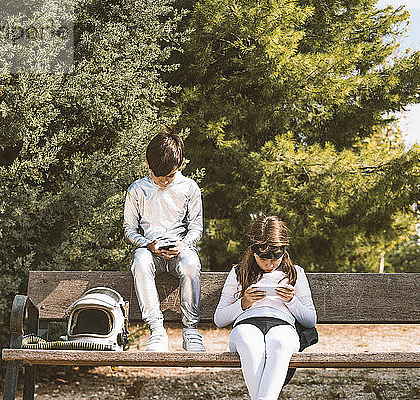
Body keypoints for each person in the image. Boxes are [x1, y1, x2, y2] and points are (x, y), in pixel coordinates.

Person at [214, 215, 316, 400]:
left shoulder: (295, 273)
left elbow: (310, 320)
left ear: (284, 251)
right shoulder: (239, 272)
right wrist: (244, 303)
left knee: (279, 342)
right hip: (246, 324)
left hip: (283, 326)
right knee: (249, 341)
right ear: (253, 251)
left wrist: (291, 301)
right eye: (263, 258)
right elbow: (219, 319)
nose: (269, 264)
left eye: (274, 259)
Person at [124, 128, 205, 352]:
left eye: (170, 176)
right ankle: (157, 330)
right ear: (149, 166)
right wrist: (146, 244)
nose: (165, 181)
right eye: (160, 177)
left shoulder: (189, 188)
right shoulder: (137, 189)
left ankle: (190, 330)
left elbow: (196, 227)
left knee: (191, 263)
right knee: (140, 261)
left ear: (178, 167)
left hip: (181, 250)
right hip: (150, 251)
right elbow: (129, 229)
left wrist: (184, 245)